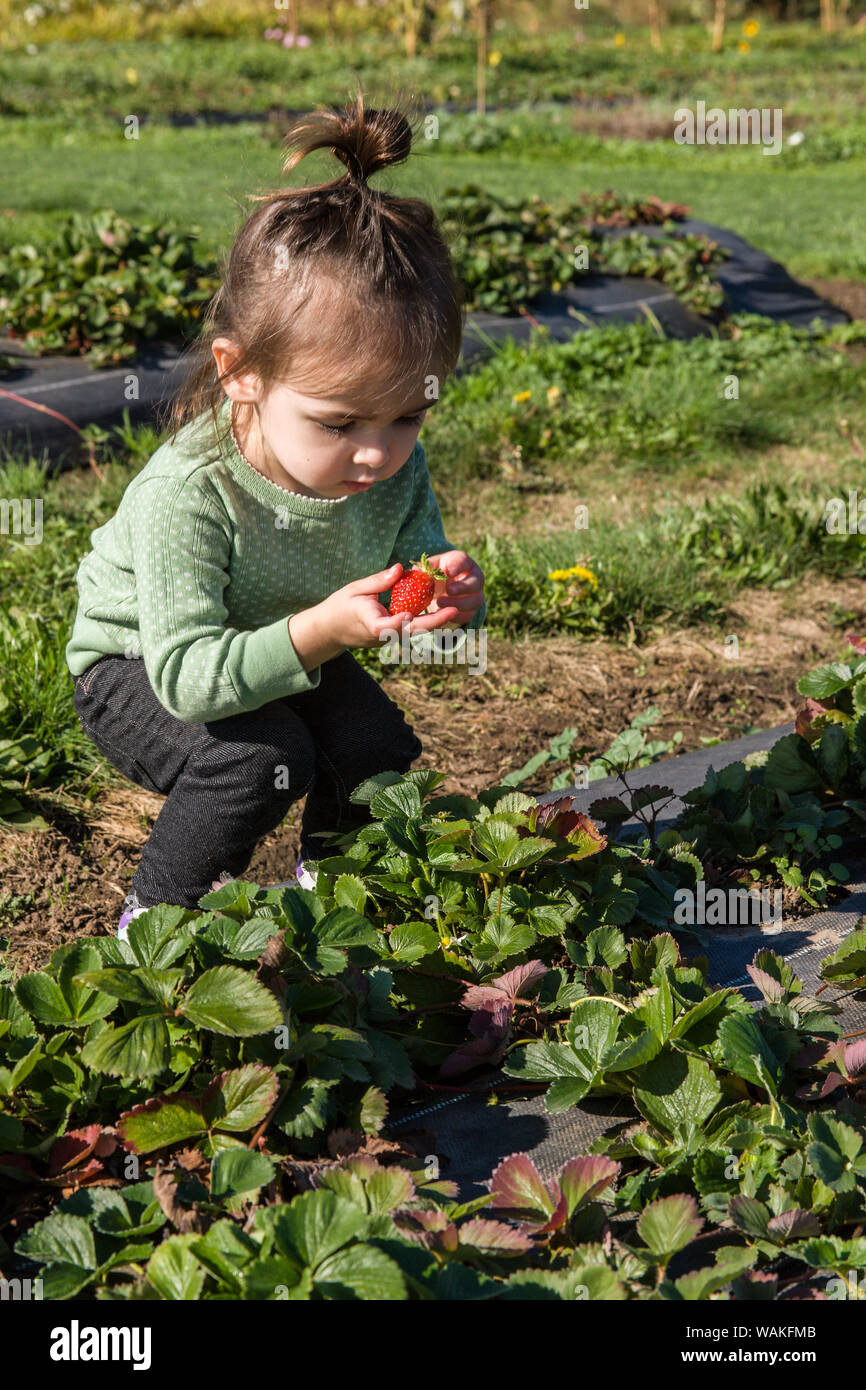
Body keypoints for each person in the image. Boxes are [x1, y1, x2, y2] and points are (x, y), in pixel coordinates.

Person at [65, 85, 486, 938]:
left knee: (376, 751)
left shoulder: (392, 471)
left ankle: (338, 913)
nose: (377, 452)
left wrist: (444, 597)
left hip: (285, 640)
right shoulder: (193, 489)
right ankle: (153, 939)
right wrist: (326, 632)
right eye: (339, 422)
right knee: (258, 760)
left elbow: (410, 573)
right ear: (239, 372)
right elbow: (186, 681)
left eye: (409, 415)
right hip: (142, 664)